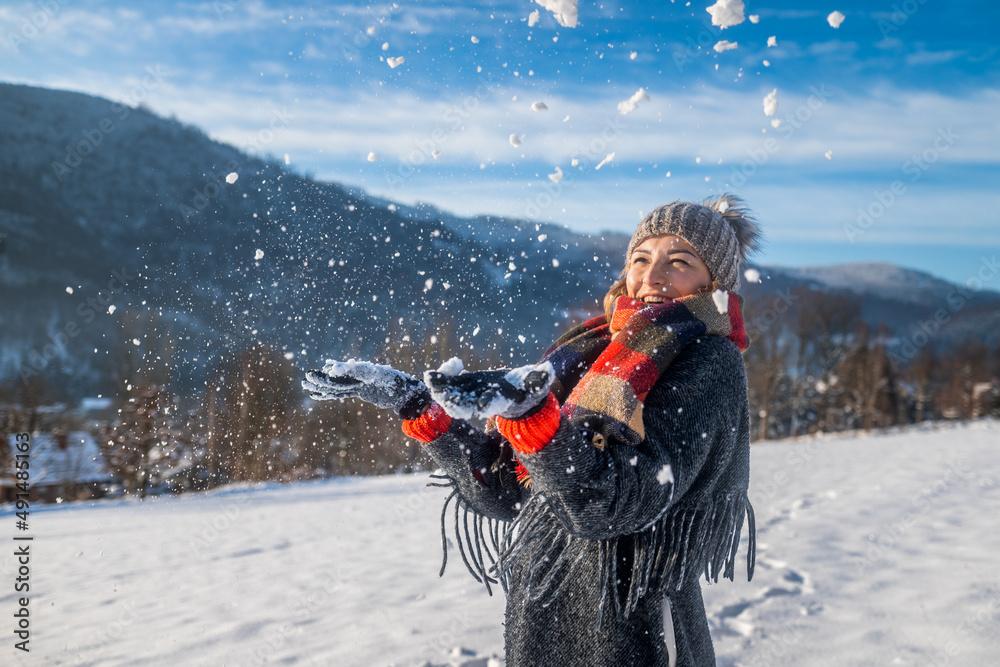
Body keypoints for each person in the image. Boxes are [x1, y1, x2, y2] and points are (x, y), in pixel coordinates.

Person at [303, 194, 762, 666]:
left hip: (633, 634)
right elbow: (507, 492)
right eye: (641, 258)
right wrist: (419, 407)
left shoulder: (709, 360)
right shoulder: (596, 348)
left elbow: (619, 503)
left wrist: (534, 420)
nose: (653, 276)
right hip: (540, 626)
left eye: (679, 261)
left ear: (715, 281)